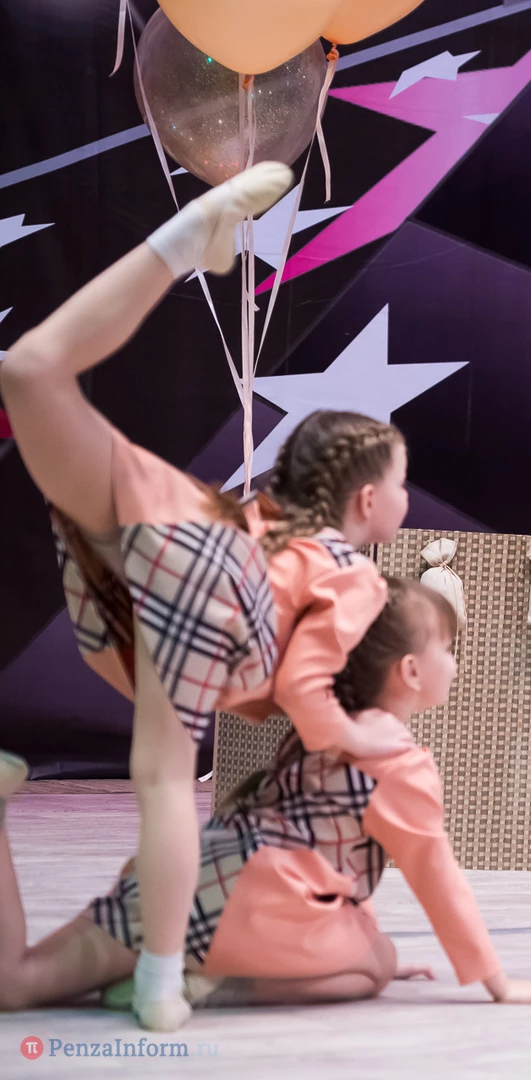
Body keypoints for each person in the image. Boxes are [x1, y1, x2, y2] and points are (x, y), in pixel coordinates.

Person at [0, 162, 292, 1030]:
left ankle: (162, 979)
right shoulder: (229, 550)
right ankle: (162, 978)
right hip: (159, 559)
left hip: (182, 557)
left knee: (31, 370)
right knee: (30, 372)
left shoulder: (266, 568)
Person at [0, 579, 531, 1015]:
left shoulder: (315, 729)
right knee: (375, 966)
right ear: (409, 671)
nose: (455, 663)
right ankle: (200, 984)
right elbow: (439, 878)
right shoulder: (400, 763)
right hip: (240, 914)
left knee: (15, 982)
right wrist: (498, 983)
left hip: (174, 880)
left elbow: (332, 863)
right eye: (449, 648)